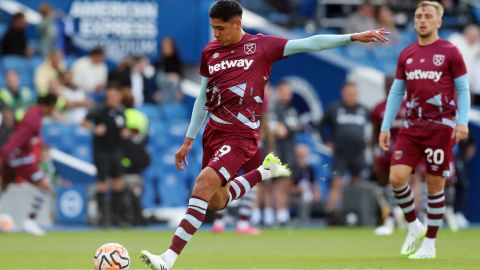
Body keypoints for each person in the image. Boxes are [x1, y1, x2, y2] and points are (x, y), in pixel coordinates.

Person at [140, 1, 389, 269]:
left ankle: (168, 259)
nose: (216, 34)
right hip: (213, 132)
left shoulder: (262, 46)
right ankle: (264, 171)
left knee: (201, 185)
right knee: (216, 200)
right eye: (213, 28)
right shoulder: (210, 51)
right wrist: (189, 139)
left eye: (221, 28)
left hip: (240, 135)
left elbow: (310, 43)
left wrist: (350, 37)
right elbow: (203, 96)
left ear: (238, 23)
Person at [379, 1, 470, 259]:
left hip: (440, 126)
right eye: (419, 16)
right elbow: (397, 91)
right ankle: (413, 225)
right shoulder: (407, 53)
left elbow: (462, 89)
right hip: (411, 126)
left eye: (428, 16)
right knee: (396, 178)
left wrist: (461, 121)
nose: (422, 20)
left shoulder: (450, 52)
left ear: (439, 21)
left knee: (434, 185)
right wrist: (386, 125)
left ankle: (430, 244)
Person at [0, 93, 58, 236]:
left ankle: (29, 222)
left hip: (15, 157)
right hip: (21, 159)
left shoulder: (34, 113)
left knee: (3, 185)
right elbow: (19, 137)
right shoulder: (33, 118)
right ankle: (30, 222)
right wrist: (4, 154)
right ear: (49, 106)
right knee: (45, 187)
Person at [319, 82, 370, 219]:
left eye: (354, 94)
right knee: (337, 182)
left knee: (358, 183)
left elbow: (374, 127)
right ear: (343, 93)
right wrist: (327, 141)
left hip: (358, 153)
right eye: (349, 94)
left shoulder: (364, 110)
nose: (352, 97)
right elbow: (321, 125)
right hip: (341, 153)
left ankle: (357, 214)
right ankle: (330, 214)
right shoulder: (335, 108)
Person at [82, 83, 130, 227]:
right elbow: (83, 122)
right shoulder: (99, 110)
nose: (113, 99)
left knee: (119, 183)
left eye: (115, 96)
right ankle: (104, 218)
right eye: (111, 96)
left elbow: (123, 128)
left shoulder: (121, 112)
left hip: (116, 151)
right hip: (101, 151)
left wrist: (125, 133)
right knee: (102, 183)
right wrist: (94, 128)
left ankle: (118, 217)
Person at [370, 77, 407, 235]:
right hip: (384, 152)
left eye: (392, 84)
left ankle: (406, 215)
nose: (389, 87)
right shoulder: (378, 108)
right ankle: (390, 216)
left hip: (404, 151)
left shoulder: (407, 106)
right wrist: (372, 154)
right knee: (385, 186)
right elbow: (373, 134)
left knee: (402, 183)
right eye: (387, 84)